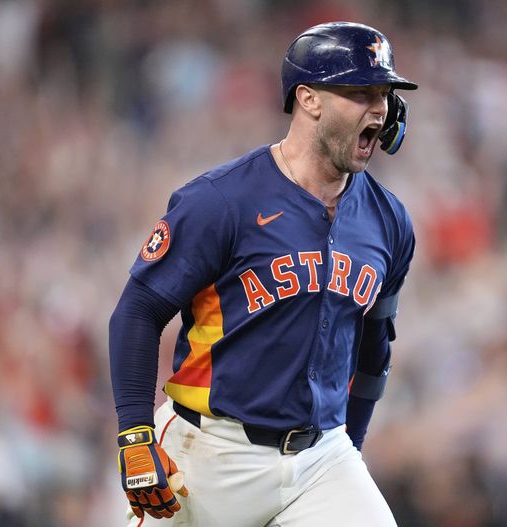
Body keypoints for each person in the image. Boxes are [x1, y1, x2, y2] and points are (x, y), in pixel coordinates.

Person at [109, 21, 417, 527]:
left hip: (321, 457)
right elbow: (137, 313)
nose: (380, 109)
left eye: (384, 94)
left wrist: (350, 450)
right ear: (309, 100)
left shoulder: (389, 221)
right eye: (360, 91)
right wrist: (134, 435)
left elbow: (374, 351)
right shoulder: (221, 201)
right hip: (208, 453)